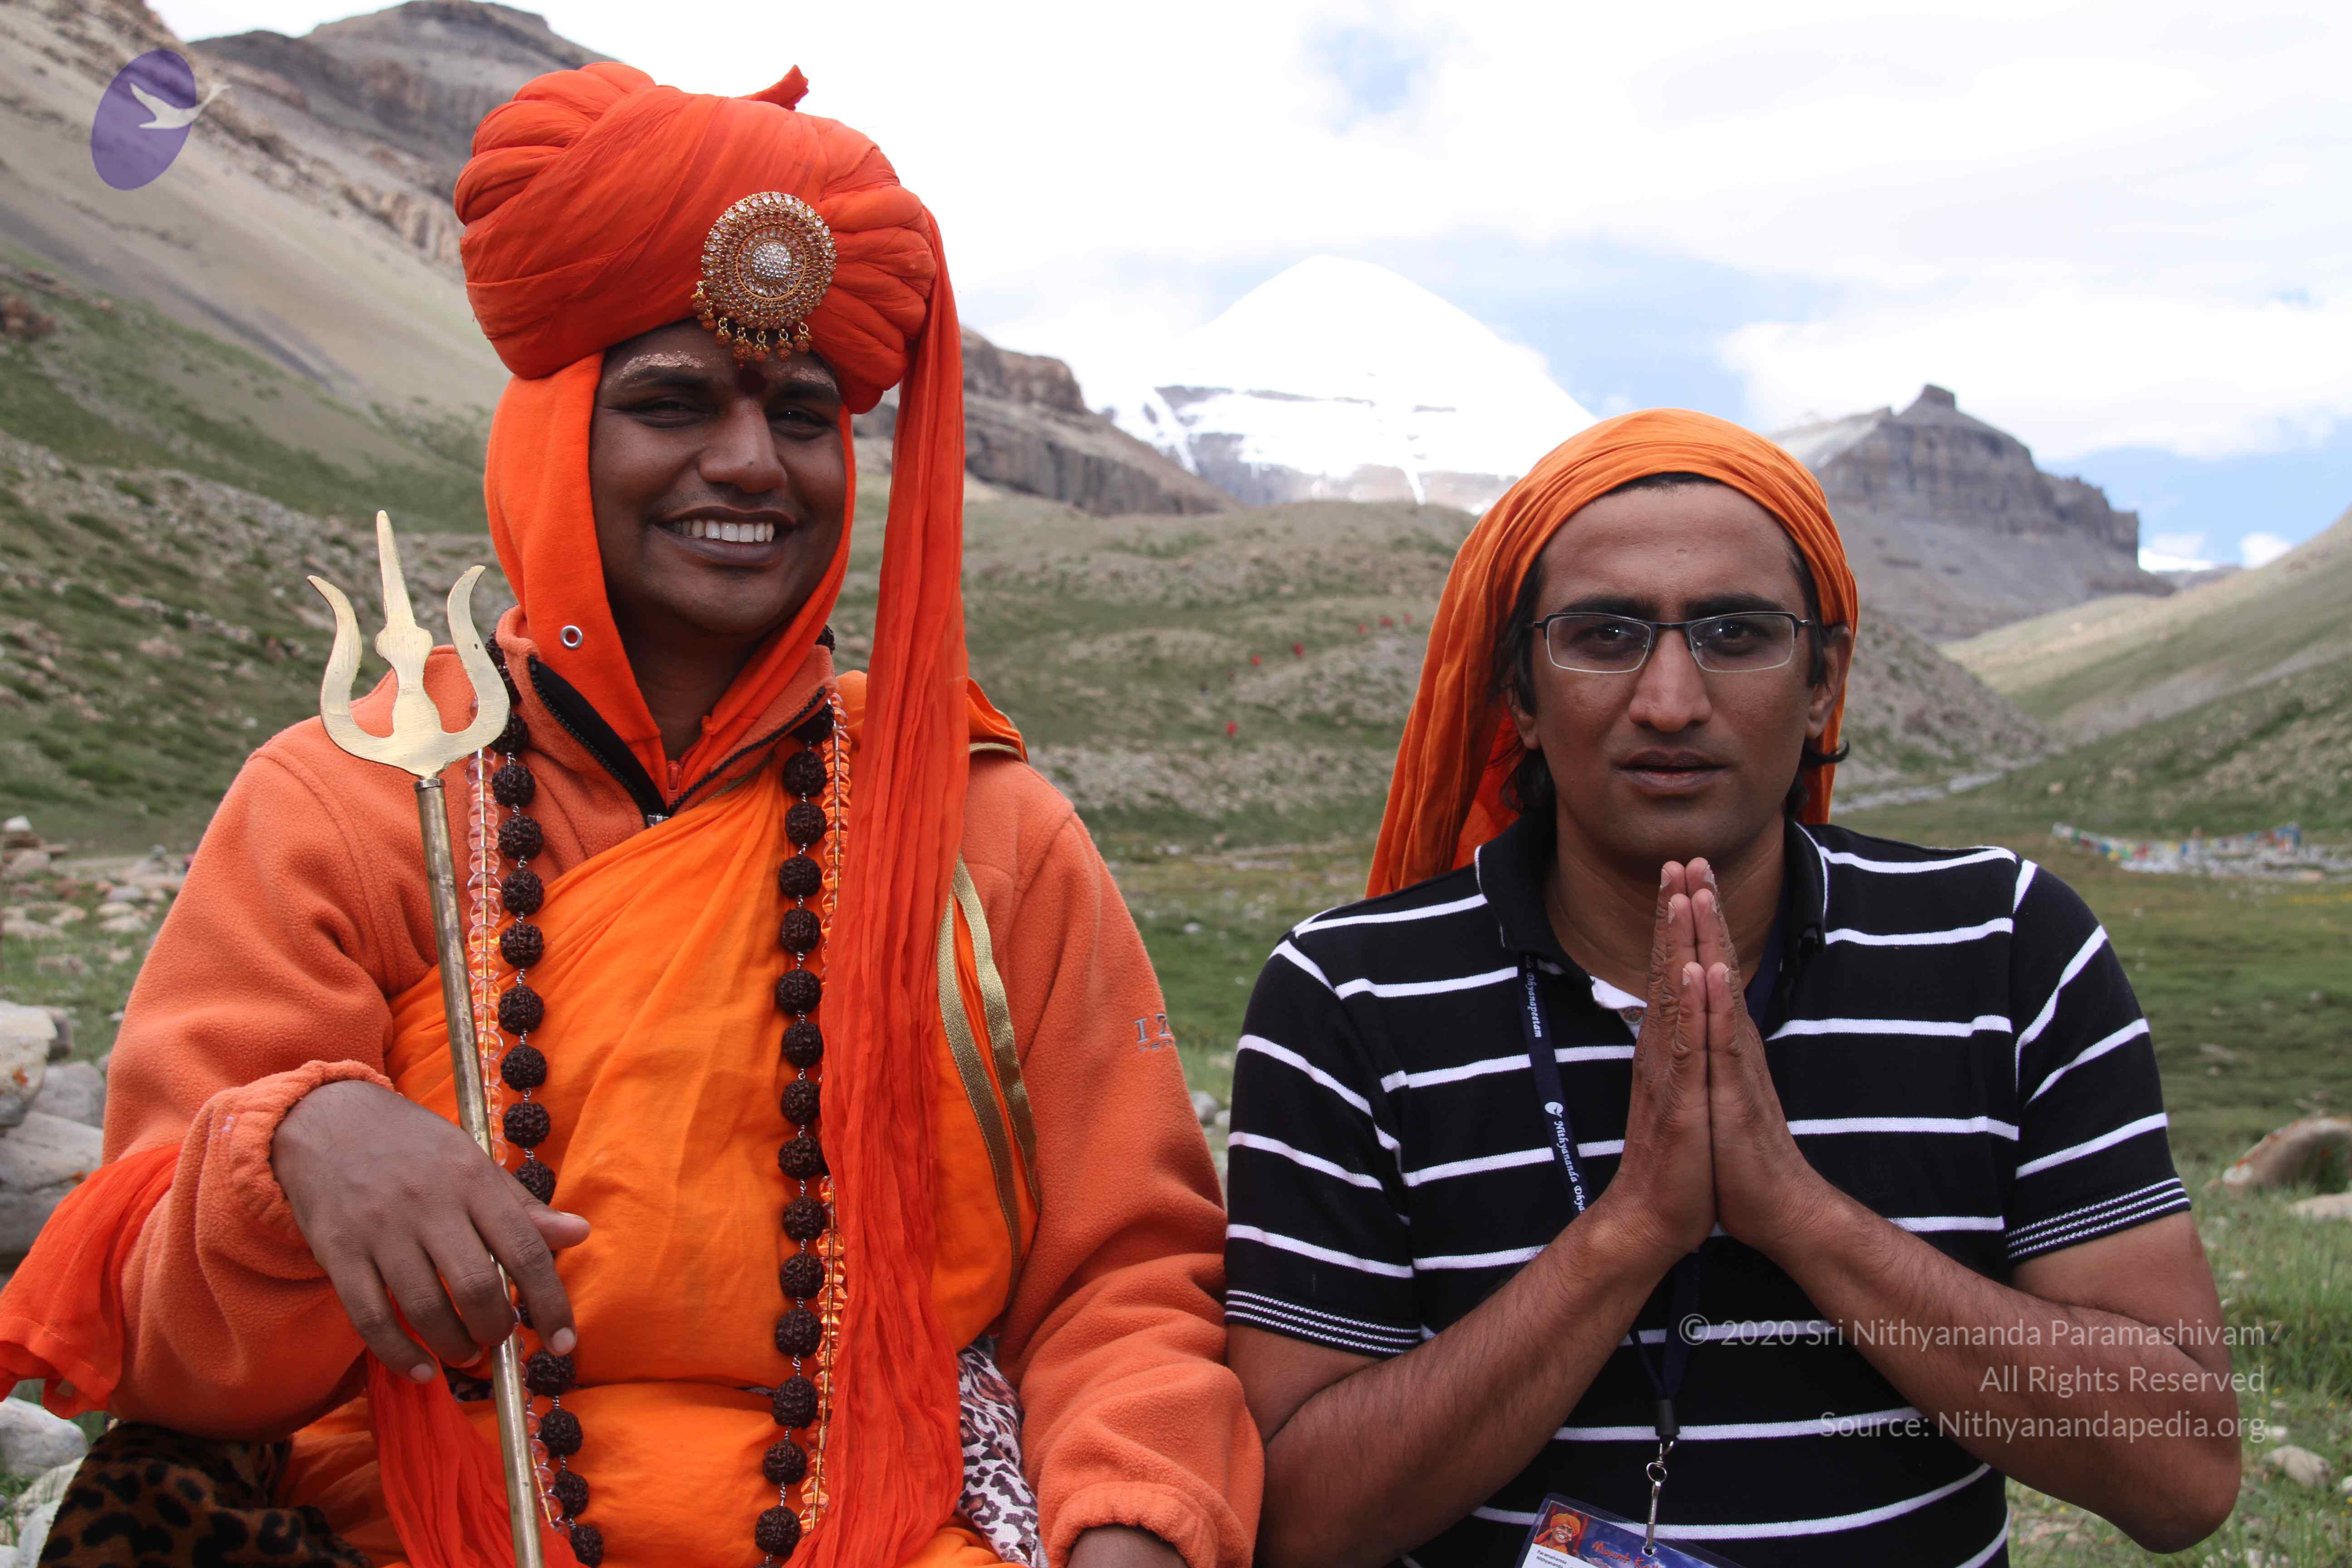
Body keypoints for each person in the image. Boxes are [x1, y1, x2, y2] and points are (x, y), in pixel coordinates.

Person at [0, 61, 1257, 1568]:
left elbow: (1126, 1284)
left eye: (803, 414)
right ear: (552, 431)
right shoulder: (347, 801)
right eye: (671, 401)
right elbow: (159, 1339)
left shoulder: (990, 834)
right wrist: (299, 1146)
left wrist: (1135, 1529)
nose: (750, 462)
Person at [1221, 410, 2239, 1568]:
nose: (1669, 700)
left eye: (1737, 633)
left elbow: (2184, 1474)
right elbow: (1291, 1521)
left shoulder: (2004, 948)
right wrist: (1630, 1234)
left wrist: (1799, 1215)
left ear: (1823, 683)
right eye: (1603, 636)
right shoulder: (1349, 995)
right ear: (1520, 694)